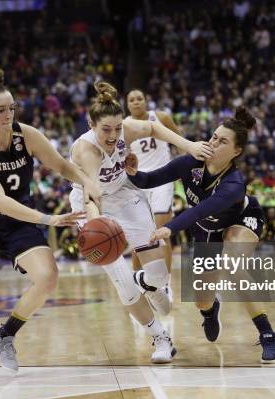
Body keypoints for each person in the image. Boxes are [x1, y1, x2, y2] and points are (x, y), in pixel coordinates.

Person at [0, 61, 100, 382]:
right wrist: (49, 218)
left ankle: (4, 336)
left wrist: (87, 181)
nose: (8, 114)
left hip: (18, 223)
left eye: (11, 108)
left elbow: (61, 165)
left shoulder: (26, 135)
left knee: (48, 277)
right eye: (1, 110)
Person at [126, 107, 275, 364]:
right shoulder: (190, 162)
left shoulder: (234, 183)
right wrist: (133, 171)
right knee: (202, 301)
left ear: (236, 151)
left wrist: (170, 227)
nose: (213, 143)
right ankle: (211, 311)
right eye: (213, 137)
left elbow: (202, 209)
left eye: (222, 141)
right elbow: (149, 179)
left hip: (241, 220)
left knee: (234, 265)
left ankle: (268, 334)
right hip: (206, 230)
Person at [70, 82, 213, 363]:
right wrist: (96, 227)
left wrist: (188, 146)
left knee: (159, 274)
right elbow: (92, 195)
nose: (112, 136)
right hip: (92, 208)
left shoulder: (126, 129)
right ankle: (160, 337)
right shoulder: (86, 151)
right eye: (105, 130)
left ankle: (147, 283)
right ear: (91, 124)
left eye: (116, 129)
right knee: (122, 283)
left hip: (125, 196)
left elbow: (153, 127)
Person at [126, 89, 181, 278]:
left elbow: (180, 141)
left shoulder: (161, 117)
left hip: (163, 181)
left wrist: (186, 168)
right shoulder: (125, 126)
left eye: (139, 98)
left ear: (146, 101)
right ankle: (137, 278)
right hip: (139, 183)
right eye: (132, 100)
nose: (136, 102)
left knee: (160, 232)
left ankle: (165, 283)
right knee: (139, 235)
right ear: (127, 105)